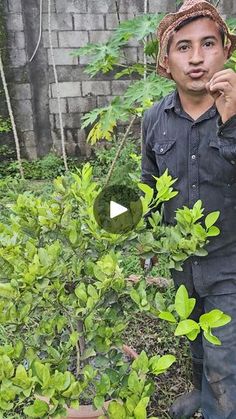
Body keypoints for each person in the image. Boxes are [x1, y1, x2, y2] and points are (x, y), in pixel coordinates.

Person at [141, 1, 236, 418]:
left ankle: (218, 406)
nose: (196, 58)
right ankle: (200, 392)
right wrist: (114, 220)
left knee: (224, 358)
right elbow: (149, 185)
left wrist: (230, 122)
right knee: (195, 340)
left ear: (226, 51)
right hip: (182, 262)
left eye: (208, 43)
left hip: (230, 264)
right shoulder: (153, 118)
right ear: (166, 62)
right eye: (183, 47)